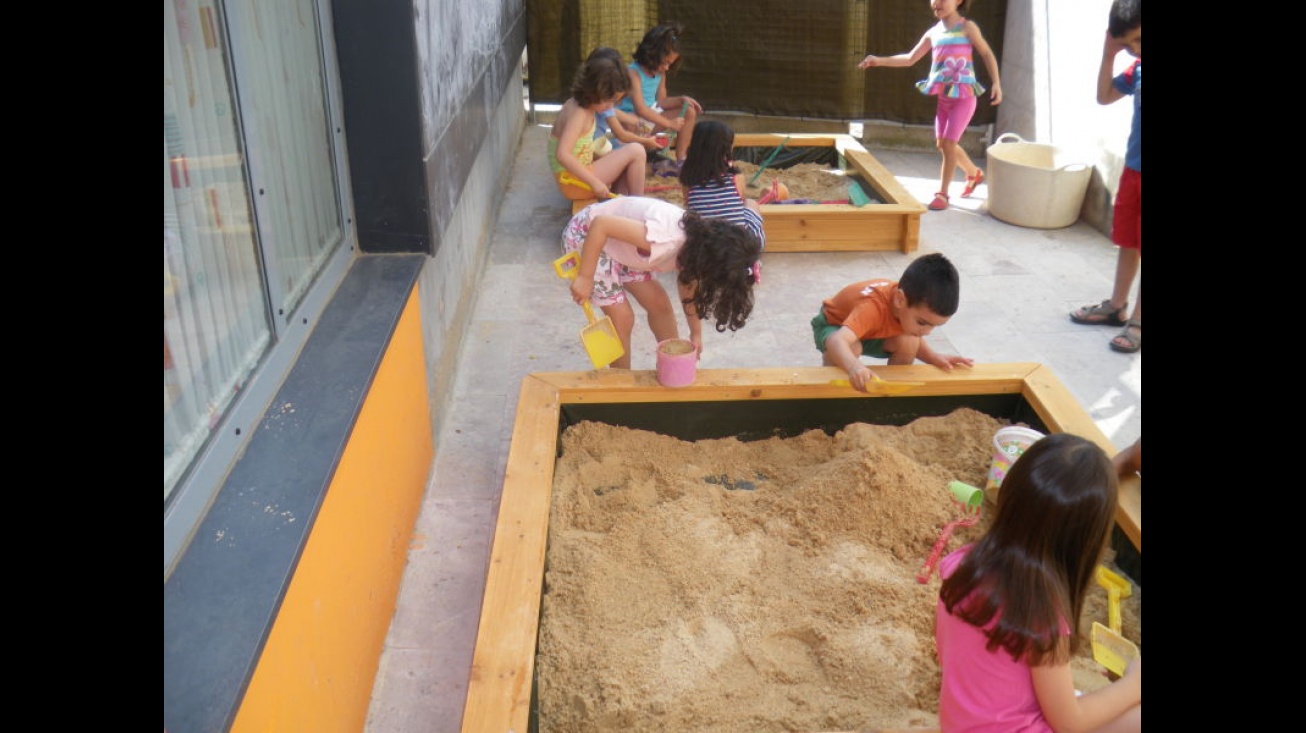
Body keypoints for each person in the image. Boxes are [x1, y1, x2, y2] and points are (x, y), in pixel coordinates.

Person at [935, 432, 1142, 732]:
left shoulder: (961, 564)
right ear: (1086, 542)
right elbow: (1071, 722)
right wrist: (1133, 685)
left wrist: (1124, 459)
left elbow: (947, 652)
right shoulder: (1042, 615)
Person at [562, 196, 759, 370]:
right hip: (587, 238)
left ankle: (672, 365)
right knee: (622, 317)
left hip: (624, 247)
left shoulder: (697, 249)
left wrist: (695, 333)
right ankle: (621, 383)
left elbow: (689, 288)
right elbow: (601, 225)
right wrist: (585, 277)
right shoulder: (665, 240)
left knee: (659, 304)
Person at [857, 0, 1002, 211]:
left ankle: (943, 194)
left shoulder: (967, 27)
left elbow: (987, 54)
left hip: (964, 97)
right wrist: (878, 60)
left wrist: (996, 82)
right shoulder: (933, 33)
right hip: (944, 99)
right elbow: (909, 59)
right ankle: (973, 173)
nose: (937, 2)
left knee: (949, 145)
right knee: (942, 144)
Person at [1069, 0, 1142, 354]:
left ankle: (1139, 322)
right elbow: (1104, 96)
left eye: (1138, 40)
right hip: (1134, 169)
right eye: (1129, 44)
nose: (1135, 49)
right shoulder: (1137, 69)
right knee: (1128, 240)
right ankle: (1116, 306)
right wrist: (1110, 54)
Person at [812, 253, 972, 393]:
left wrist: (934, 357)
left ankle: (891, 392)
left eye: (934, 326)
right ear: (900, 299)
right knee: (852, 348)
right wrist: (855, 367)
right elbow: (837, 341)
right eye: (922, 323)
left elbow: (914, 336)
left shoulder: (906, 303)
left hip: (870, 331)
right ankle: (833, 389)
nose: (927, 332)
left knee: (910, 341)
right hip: (834, 326)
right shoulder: (871, 308)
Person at [549, 53, 646, 201]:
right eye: (609, 101)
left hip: (575, 177)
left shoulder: (580, 104)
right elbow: (562, 154)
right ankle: (638, 205)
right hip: (573, 182)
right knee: (637, 151)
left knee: (623, 157)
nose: (610, 107)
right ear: (595, 91)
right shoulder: (579, 113)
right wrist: (595, 182)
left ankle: (622, 204)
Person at [678, 120, 765, 283]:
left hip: (705, 252)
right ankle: (754, 259)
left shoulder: (687, 178)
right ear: (726, 149)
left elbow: (689, 205)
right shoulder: (735, 177)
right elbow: (741, 202)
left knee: (687, 216)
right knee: (751, 204)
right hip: (739, 249)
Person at [617, 21, 703, 167]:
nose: (667, 67)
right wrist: (669, 123)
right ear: (651, 54)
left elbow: (661, 101)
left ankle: (681, 157)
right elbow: (641, 109)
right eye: (664, 62)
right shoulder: (633, 72)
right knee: (630, 121)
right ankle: (646, 151)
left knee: (689, 111)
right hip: (632, 122)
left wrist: (681, 100)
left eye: (670, 63)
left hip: (649, 121)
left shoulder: (660, 73)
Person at [585, 47, 667, 158]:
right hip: (594, 150)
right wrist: (645, 141)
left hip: (598, 145)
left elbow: (613, 112)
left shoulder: (599, 101)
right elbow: (622, 135)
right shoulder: (601, 102)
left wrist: (638, 123)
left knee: (628, 146)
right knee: (635, 151)